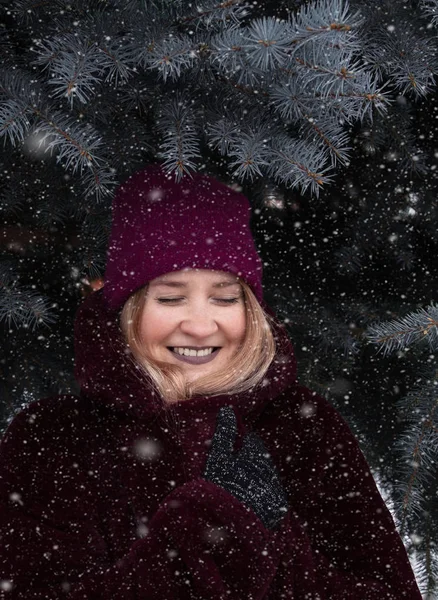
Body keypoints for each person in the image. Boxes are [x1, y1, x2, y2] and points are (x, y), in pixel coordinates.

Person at [0, 164, 422, 599]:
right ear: (129, 309)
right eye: (170, 297)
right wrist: (194, 542)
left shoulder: (305, 427)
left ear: (251, 310)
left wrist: (275, 548)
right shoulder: (55, 436)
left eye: (224, 298)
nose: (202, 327)